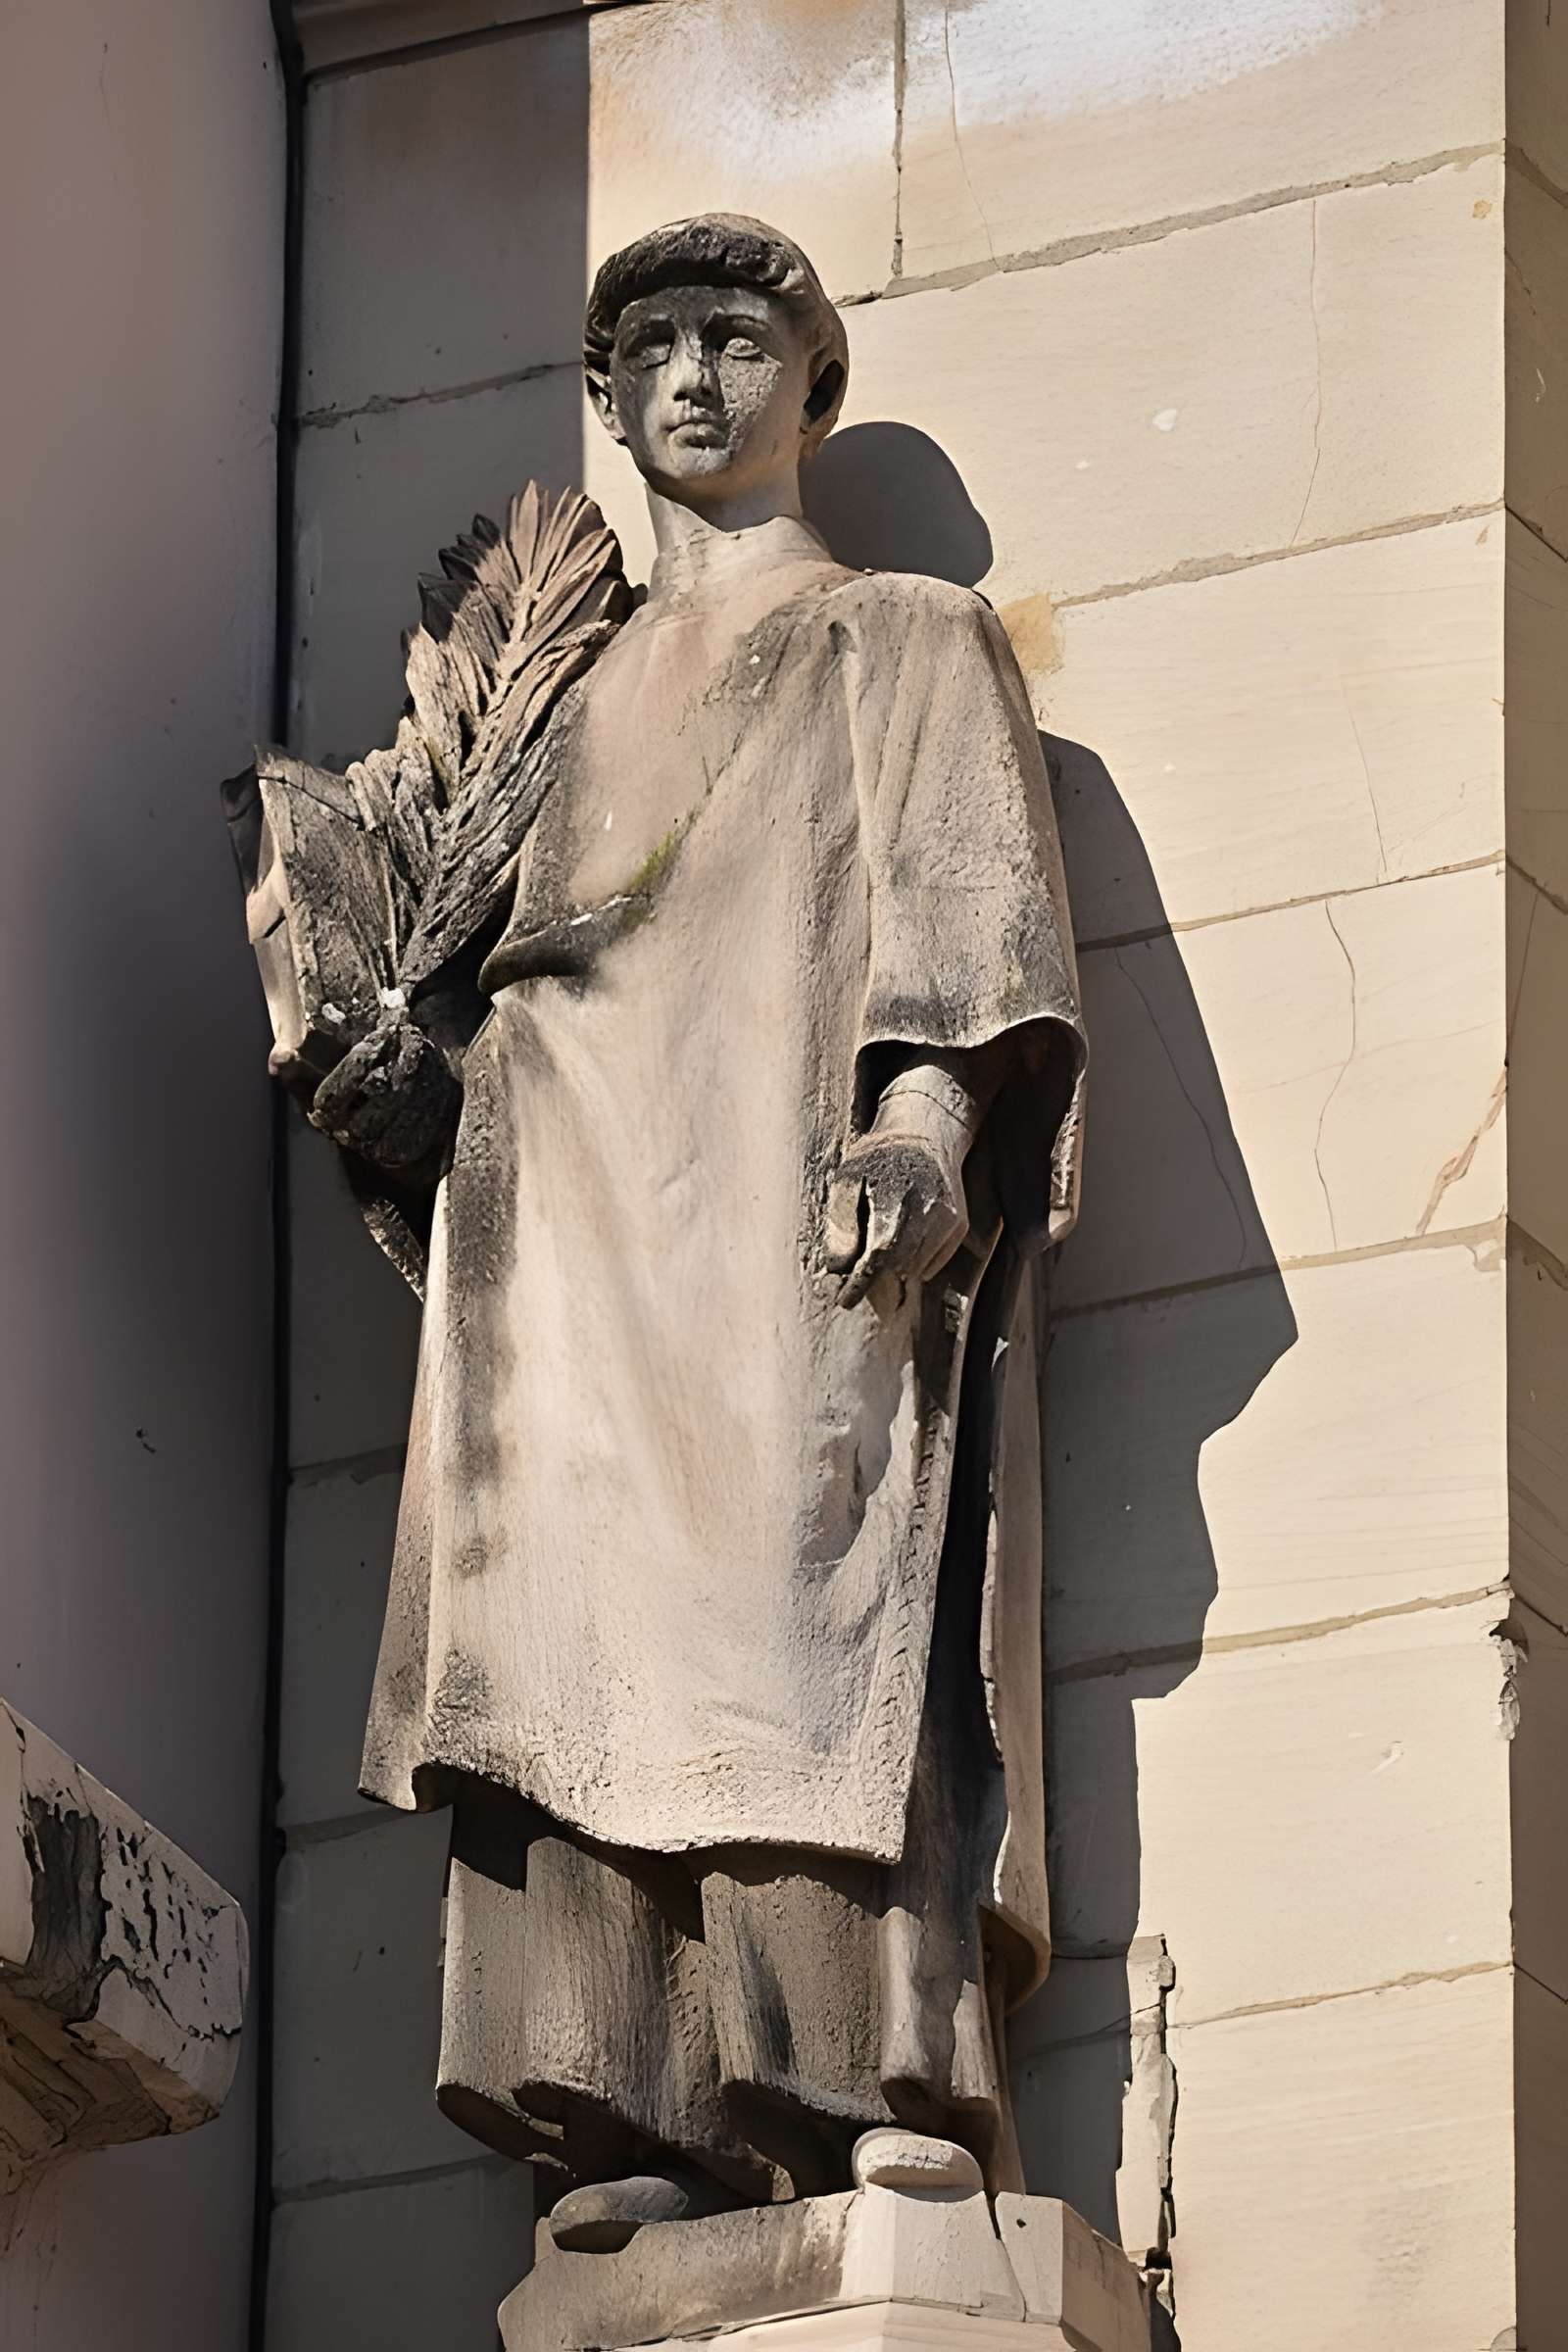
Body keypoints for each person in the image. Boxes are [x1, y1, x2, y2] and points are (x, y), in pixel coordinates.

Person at [353, 214, 1087, 2247]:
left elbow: (963, 911)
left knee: (806, 1605)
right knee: (564, 1628)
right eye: (649, 347)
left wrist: (924, 1128)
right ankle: (628, 2112)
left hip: (780, 1220)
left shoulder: (900, 632)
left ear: (810, 383)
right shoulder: (544, 711)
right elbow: (484, 991)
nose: (691, 374)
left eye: (735, 337)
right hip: (564, 1249)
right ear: (602, 401)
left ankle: (861, 2076)